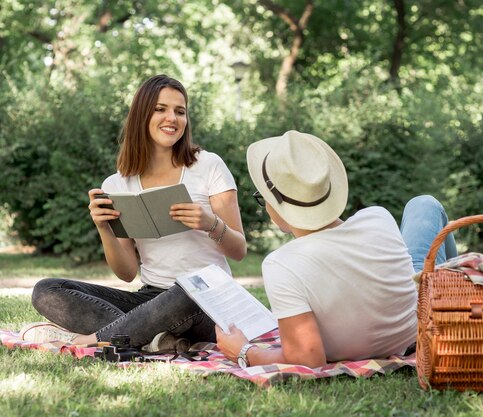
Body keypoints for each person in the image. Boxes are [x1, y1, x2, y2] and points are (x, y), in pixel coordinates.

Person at [20, 74, 247, 349]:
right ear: (142, 115)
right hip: (151, 299)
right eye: (160, 109)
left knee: (189, 289)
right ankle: (157, 339)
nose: (172, 118)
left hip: (206, 299)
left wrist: (210, 223)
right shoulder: (117, 184)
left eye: (180, 111)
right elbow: (127, 273)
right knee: (47, 290)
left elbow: (239, 250)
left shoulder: (209, 165)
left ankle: (97, 340)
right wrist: (104, 228)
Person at [216, 130, 457, 369]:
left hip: (394, 331)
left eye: (263, 198)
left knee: (423, 209)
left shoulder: (281, 265)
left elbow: (307, 358)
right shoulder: (378, 217)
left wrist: (244, 351)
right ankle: (458, 309)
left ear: (277, 205)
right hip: (417, 326)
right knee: (424, 204)